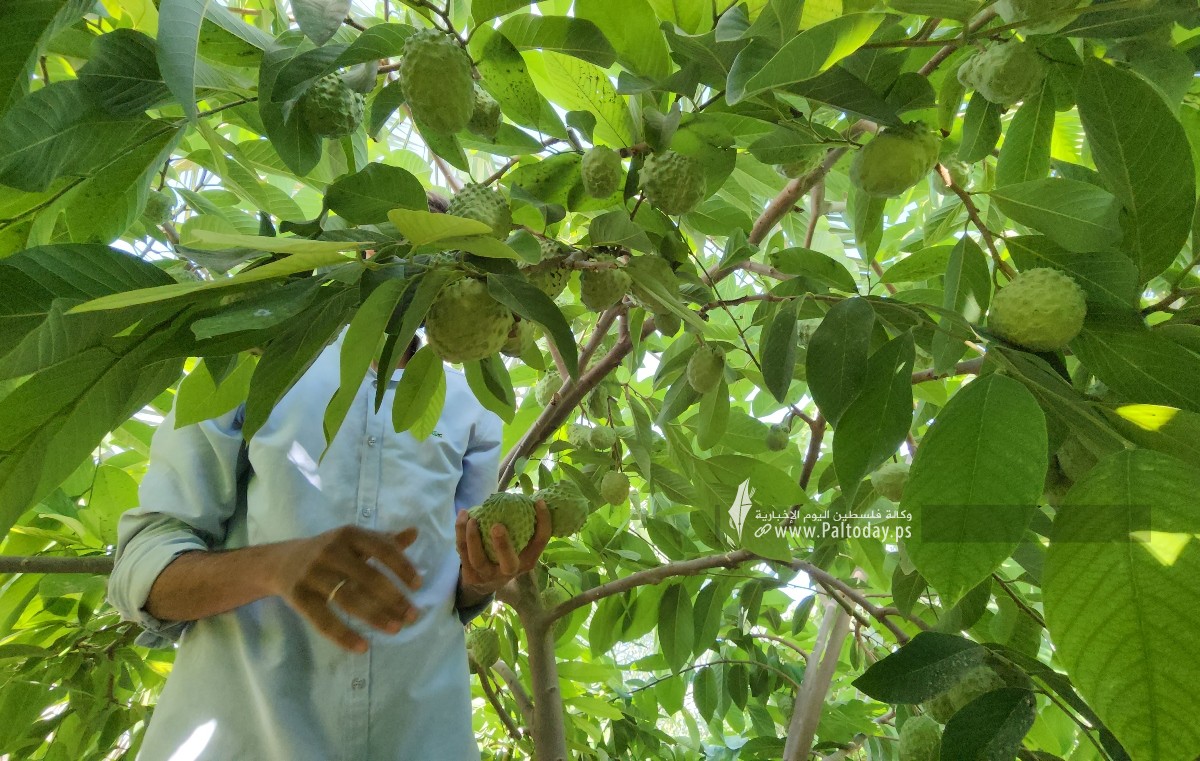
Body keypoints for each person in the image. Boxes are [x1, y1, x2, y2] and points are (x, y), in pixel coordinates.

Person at [108, 196, 550, 760]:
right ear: (366, 254)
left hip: (418, 736)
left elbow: (459, 577)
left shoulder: (476, 403)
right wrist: (275, 565)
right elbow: (142, 570)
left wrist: (484, 578)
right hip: (247, 737)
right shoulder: (260, 358)